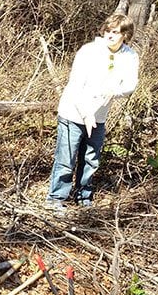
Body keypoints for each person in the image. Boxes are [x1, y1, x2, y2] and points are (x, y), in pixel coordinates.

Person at [45, 13, 139, 211]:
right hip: (73, 112)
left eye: (115, 32)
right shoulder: (89, 51)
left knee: (91, 158)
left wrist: (115, 90)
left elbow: (130, 84)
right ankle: (56, 199)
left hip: (99, 116)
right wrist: (86, 114)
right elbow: (76, 86)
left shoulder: (129, 56)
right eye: (108, 31)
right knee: (66, 159)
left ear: (125, 35)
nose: (110, 35)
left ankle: (83, 198)